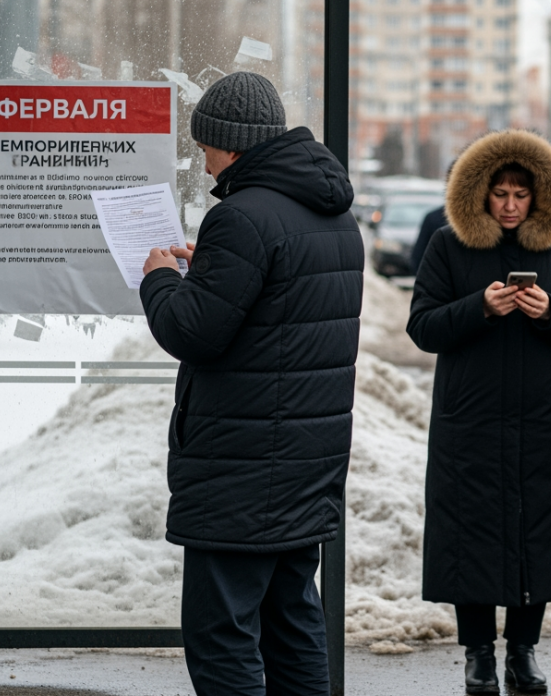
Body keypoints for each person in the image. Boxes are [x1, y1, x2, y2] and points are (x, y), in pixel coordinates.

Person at [139, 71, 363, 696]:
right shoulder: (335, 216)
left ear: (232, 145)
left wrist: (158, 277)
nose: (203, 161)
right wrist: (208, 269)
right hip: (304, 463)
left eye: (207, 147)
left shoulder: (241, 217)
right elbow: (275, 314)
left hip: (239, 470)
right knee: (292, 622)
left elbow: (193, 333)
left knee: (222, 636)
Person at [406, 129, 551, 695]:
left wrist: (550, 311)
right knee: (471, 533)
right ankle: (477, 654)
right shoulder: (449, 246)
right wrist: (480, 307)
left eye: (522, 195)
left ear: (540, 196)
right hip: (469, 421)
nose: (512, 206)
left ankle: (523, 650)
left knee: (537, 532)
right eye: (501, 195)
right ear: (480, 194)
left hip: (545, 421)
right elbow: (421, 326)